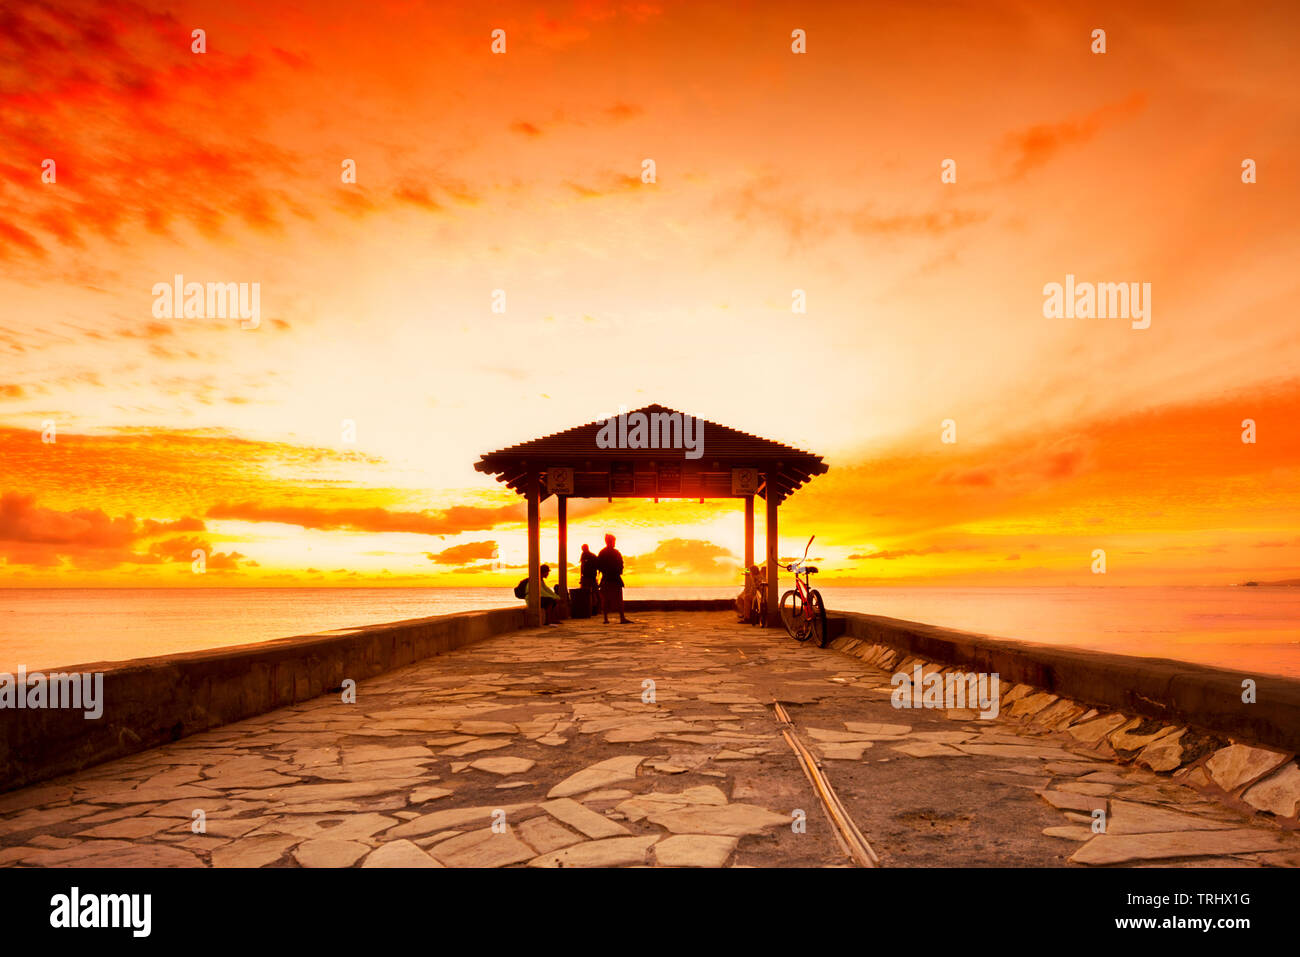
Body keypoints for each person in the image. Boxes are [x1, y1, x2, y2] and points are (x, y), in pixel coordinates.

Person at [596, 533, 631, 624]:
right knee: (617, 598)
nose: (614, 543)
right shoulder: (614, 553)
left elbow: (598, 565)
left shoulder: (602, 552)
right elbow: (620, 564)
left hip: (608, 578)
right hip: (612, 578)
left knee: (607, 599)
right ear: (610, 542)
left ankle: (606, 618)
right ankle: (621, 618)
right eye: (613, 541)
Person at [578, 543, 600, 617]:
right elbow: (598, 567)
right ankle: (594, 610)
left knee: (585, 594)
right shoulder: (593, 556)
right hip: (593, 577)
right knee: (594, 593)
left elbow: (582, 565)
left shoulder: (584, 555)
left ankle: (588, 609)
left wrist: (581, 576)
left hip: (587, 577)